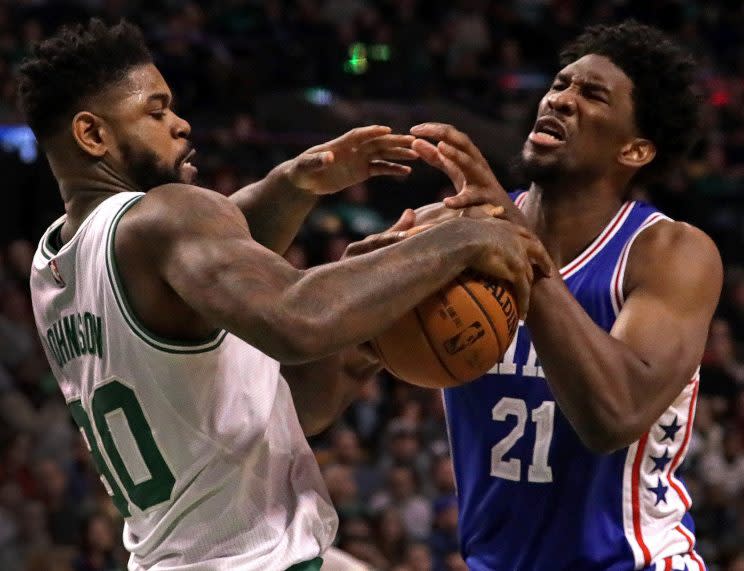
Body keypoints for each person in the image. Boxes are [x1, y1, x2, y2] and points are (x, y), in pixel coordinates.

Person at [19, 19, 550, 571]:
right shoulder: (165, 218)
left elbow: (274, 379)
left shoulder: (56, 266)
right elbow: (298, 319)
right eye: (156, 111)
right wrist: (459, 240)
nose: (180, 124)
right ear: (92, 134)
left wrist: (297, 188)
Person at [406, 20, 721, 571]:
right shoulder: (455, 233)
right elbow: (319, 384)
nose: (563, 100)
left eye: (592, 94)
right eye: (560, 85)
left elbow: (613, 414)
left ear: (635, 150)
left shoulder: (669, 252)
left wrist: (514, 236)